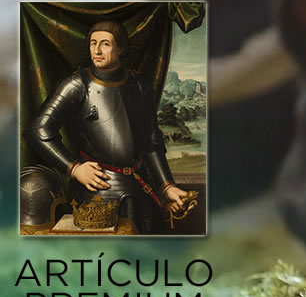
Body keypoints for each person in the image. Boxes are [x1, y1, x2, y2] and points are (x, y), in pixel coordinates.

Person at [24, 20, 186, 234]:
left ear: (120, 48)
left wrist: (167, 187)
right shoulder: (76, 85)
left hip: (142, 189)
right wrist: (74, 168)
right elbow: (38, 130)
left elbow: (152, 143)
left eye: (105, 44)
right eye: (93, 43)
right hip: (97, 192)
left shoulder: (139, 85)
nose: (97, 50)